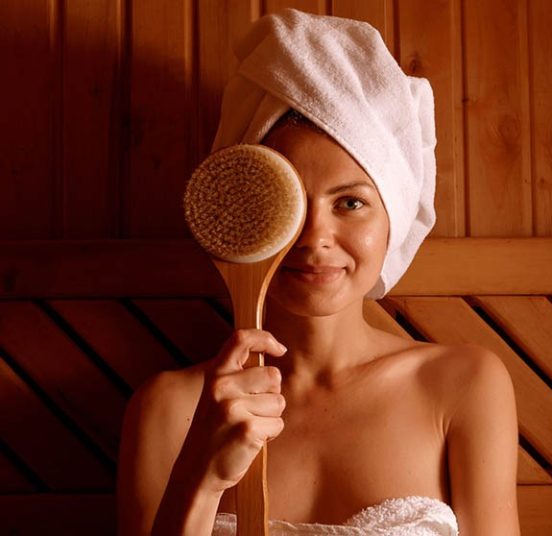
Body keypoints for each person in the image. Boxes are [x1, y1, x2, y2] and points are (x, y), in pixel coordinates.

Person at [117, 9, 519, 536]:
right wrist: (201, 477)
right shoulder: (168, 410)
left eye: (350, 203)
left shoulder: (462, 386)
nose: (313, 237)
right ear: (241, 215)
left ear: (394, 214)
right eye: (285, 204)